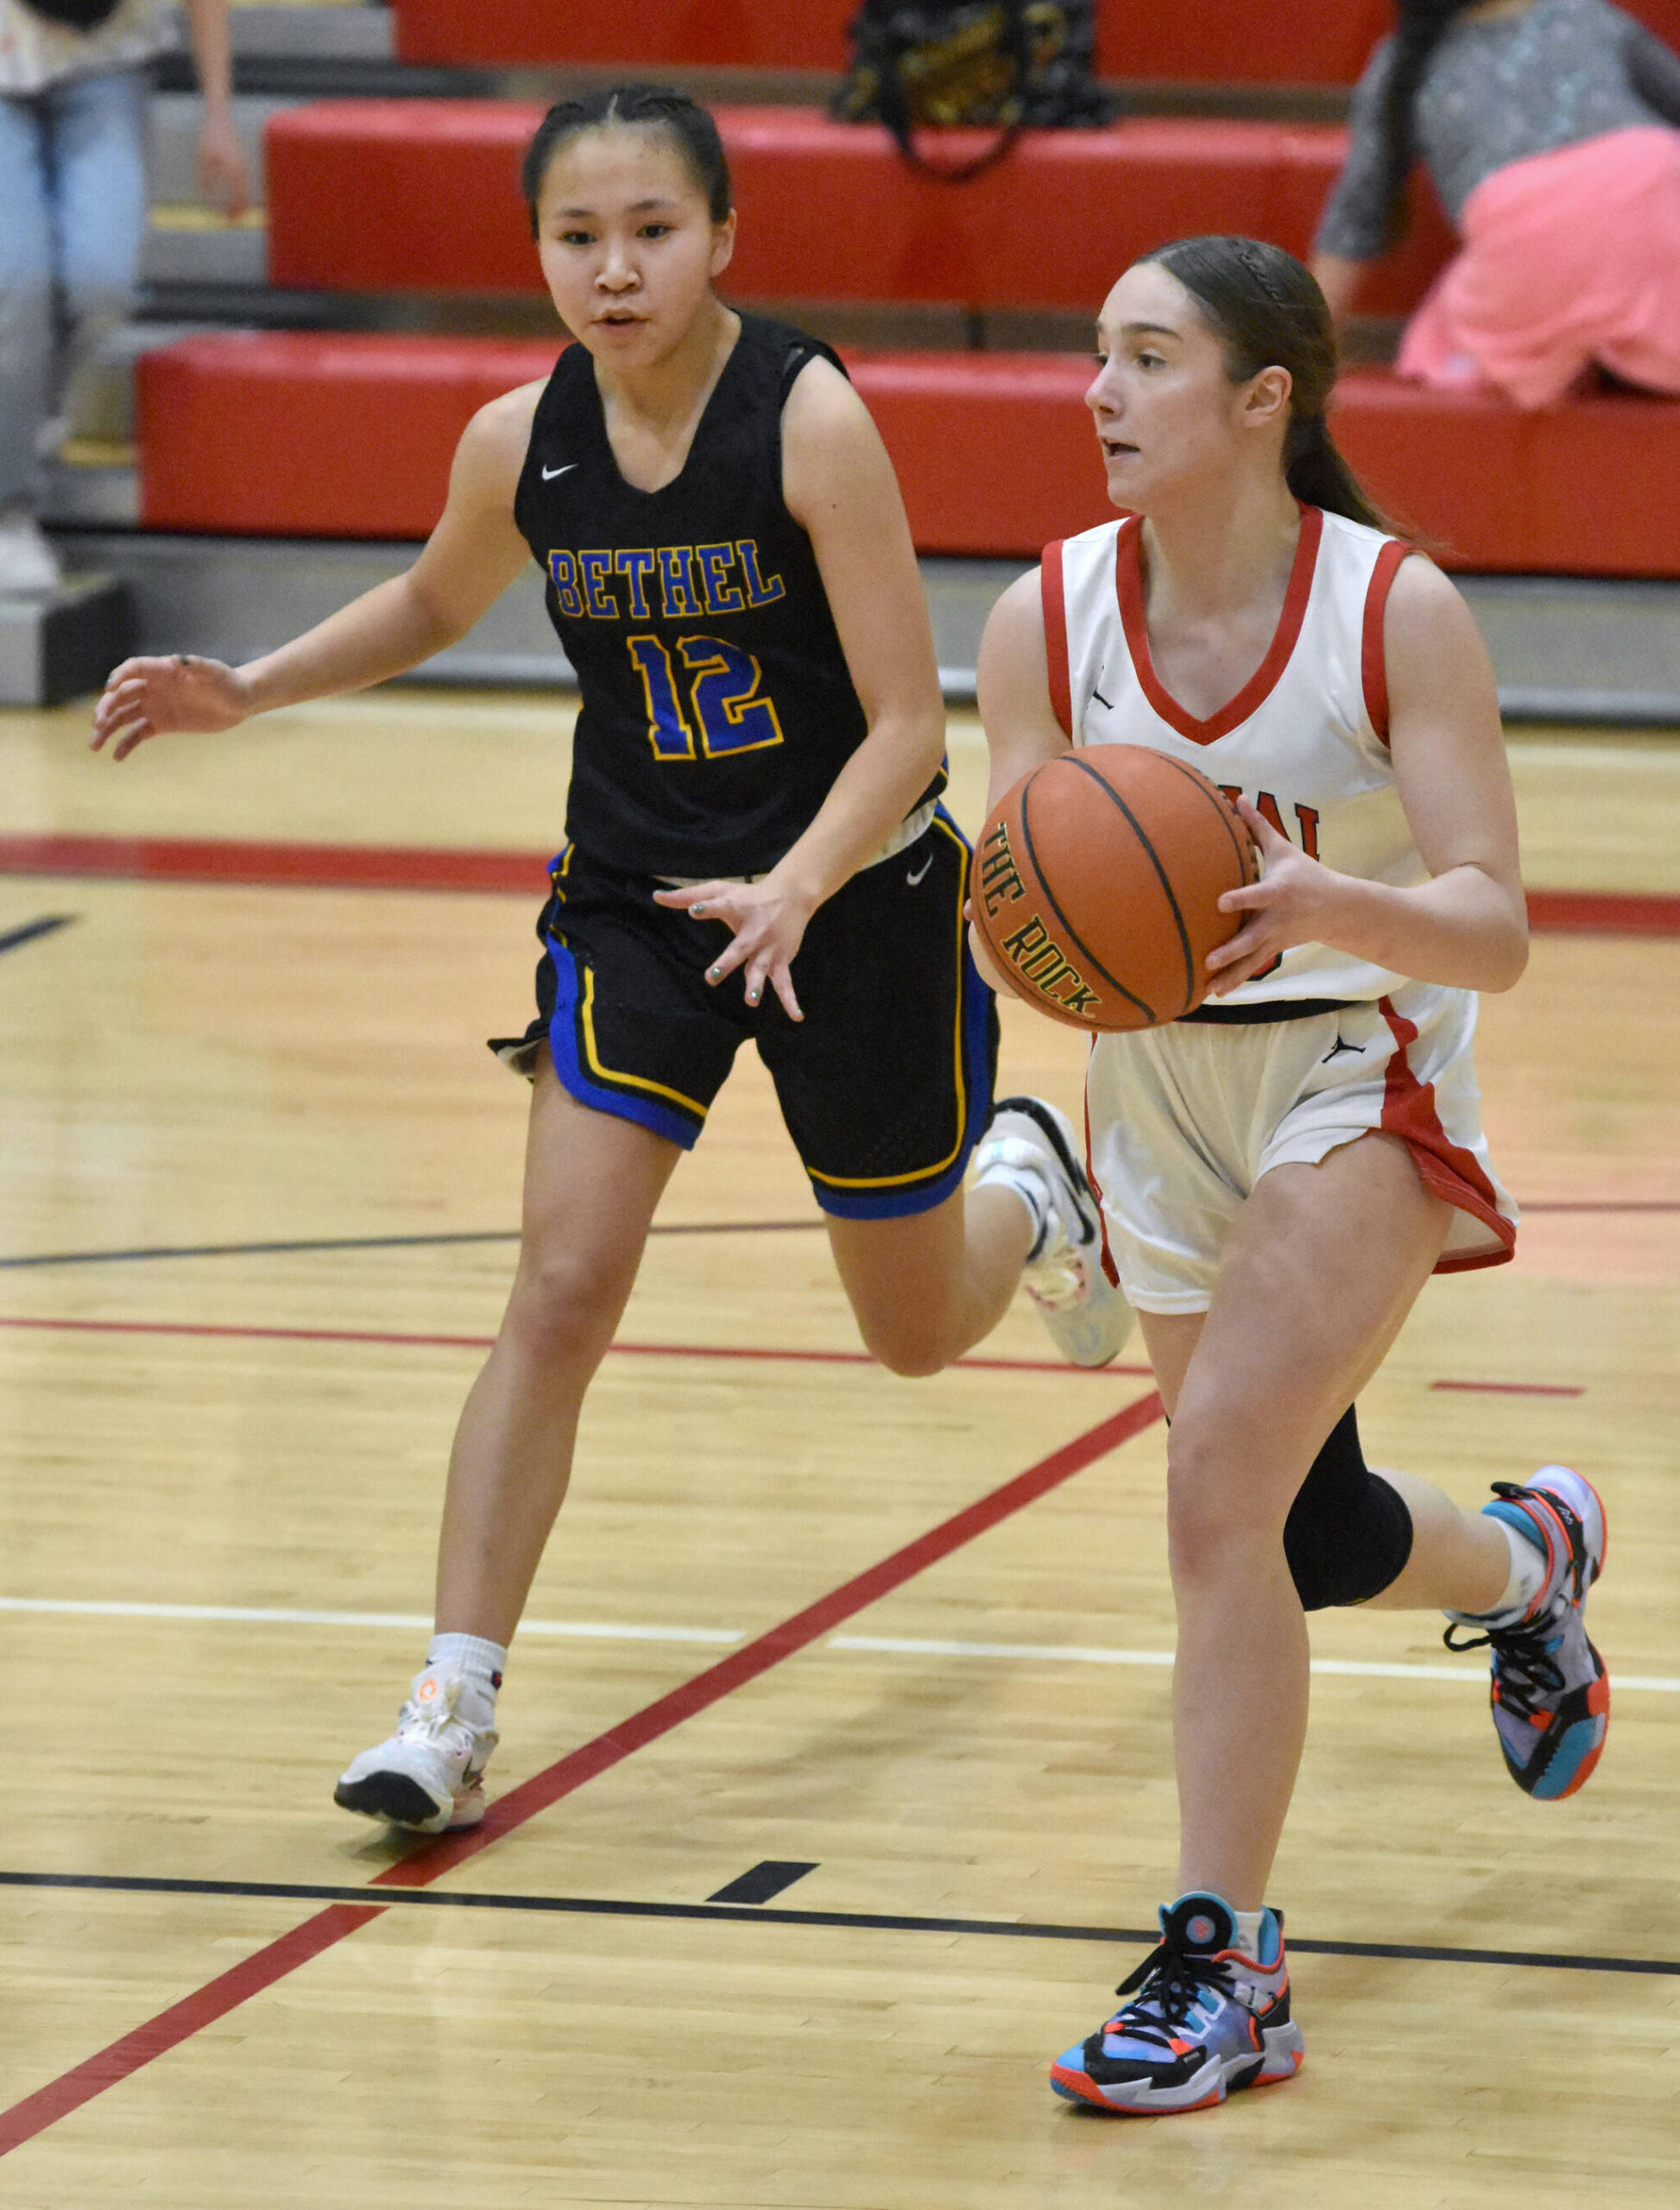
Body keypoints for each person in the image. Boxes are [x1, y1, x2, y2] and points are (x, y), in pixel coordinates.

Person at [92, 85, 1128, 1835]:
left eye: (651, 230)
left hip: (851, 905)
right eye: (578, 237)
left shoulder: (806, 417)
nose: (615, 267)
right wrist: (246, 689)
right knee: (560, 1285)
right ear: (540, 256)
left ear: (724, 237)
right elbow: (433, 599)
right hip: (636, 908)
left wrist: (799, 882)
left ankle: (1025, 1190)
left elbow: (902, 726)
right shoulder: (521, 438)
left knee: (911, 1334)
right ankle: (449, 1696)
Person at [973, 232, 1608, 2116]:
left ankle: (1220, 1960)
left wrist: (1350, 902)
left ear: (1264, 400)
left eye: (1146, 357)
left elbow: (1492, 927)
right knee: (1296, 1528)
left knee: (1204, 1489)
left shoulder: (1390, 609)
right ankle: (1523, 1559)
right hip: (1153, 1087)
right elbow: (1020, 903)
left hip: (1357, 1062)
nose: (1100, 389)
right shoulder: (1046, 613)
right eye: (1095, 353)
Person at [1312, 0, 1680, 408]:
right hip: (1657, 199)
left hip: (1523, 257)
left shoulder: (1400, 66)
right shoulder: (1586, 15)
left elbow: (1356, 216)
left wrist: (1301, 357)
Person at [0, 0, 250, 594]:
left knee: (103, 283)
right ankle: (10, 511)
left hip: (107, 61)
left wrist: (218, 113)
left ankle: (26, 407)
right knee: (17, 284)